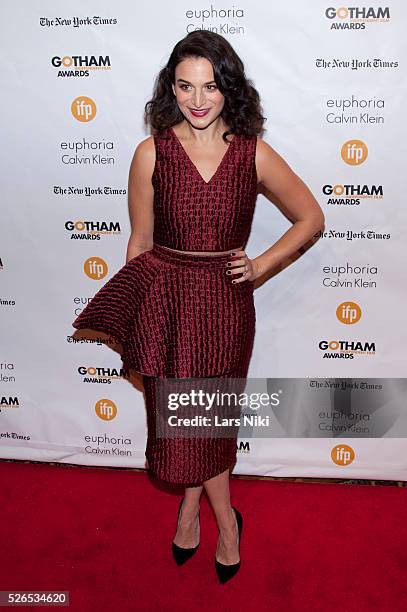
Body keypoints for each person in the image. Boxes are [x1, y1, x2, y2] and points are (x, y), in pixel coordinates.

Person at [72, 30, 324, 583]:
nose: (198, 99)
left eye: (211, 86)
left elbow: (311, 217)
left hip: (226, 305)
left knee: (207, 420)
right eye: (186, 86)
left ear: (228, 89)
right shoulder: (150, 153)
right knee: (181, 422)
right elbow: (139, 245)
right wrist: (135, 318)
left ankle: (213, 518)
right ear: (171, 90)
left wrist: (260, 265)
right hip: (166, 301)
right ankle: (213, 513)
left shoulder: (252, 152)